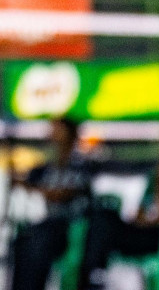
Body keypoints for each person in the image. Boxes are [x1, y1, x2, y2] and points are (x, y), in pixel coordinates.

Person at [78, 127, 159, 287]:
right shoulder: (156, 174)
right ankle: (94, 273)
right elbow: (142, 209)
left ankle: (93, 277)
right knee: (102, 215)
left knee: (106, 223)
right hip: (144, 230)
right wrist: (141, 217)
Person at [8, 117, 95, 290]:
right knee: (23, 240)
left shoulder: (81, 164)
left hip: (73, 229)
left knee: (40, 240)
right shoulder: (46, 166)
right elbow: (23, 181)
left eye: (58, 131)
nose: (52, 136)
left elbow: (63, 194)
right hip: (47, 225)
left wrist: (31, 187)